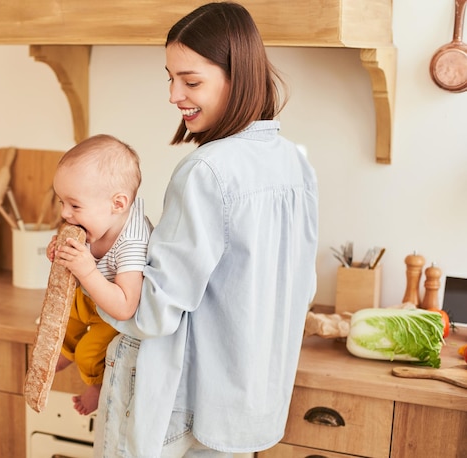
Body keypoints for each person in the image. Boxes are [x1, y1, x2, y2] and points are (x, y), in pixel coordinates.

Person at [93, 2, 319, 457]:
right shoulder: (294, 161)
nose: (174, 95)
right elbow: (302, 289)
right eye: (170, 77)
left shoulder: (206, 171)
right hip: (249, 406)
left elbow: (153, 314)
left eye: (191, 81)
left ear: (239, 76)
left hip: (184, 407)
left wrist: (95, 263)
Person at [48, 134, 153, 415]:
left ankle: (96, 382)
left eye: (74, 205)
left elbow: (125, 306)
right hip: (89, 297)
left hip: (113, 313)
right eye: (61, 202)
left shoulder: (132, 243)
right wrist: (61, 252)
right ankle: (65, 352)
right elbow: (79, 257)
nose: (65, 214)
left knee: (89, 353)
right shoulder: (97, 219)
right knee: (65, 318)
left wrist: (87, 270)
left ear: (117, 204)